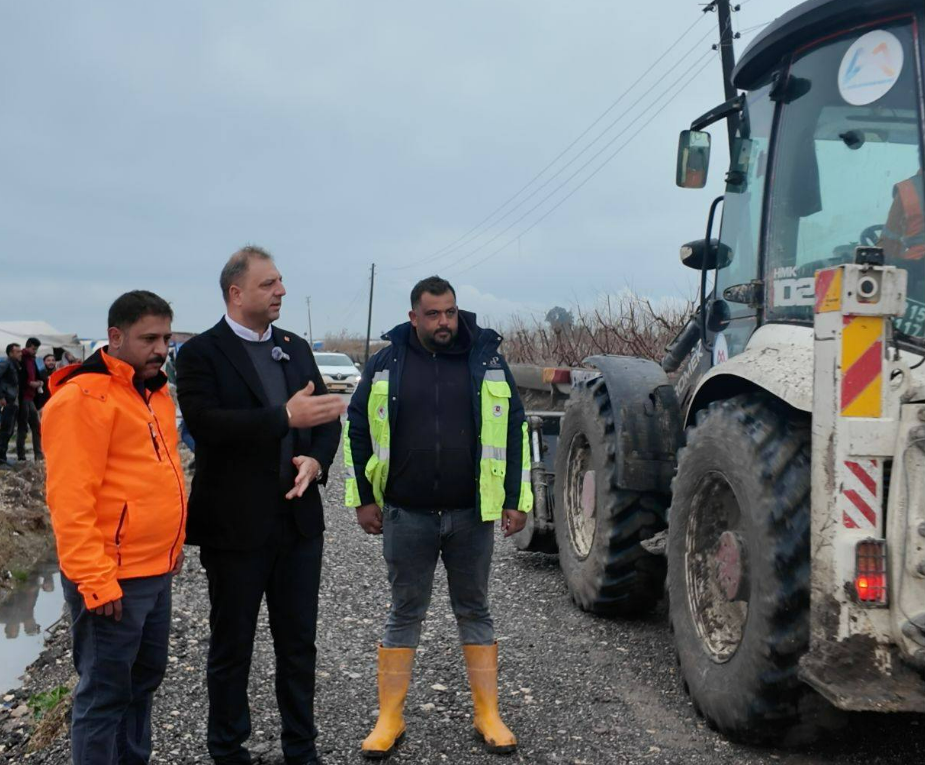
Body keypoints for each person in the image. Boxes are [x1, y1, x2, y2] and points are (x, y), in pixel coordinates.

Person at [344, 275, 533, 758]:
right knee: (404, 611)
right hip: (407, 515)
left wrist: (516, 499)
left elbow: (514, 430)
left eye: (449, 312)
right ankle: (389, 719)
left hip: (472, 514)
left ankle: (487, 714)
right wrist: (365, 497)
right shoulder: (387, 363)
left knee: (475, 609)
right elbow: (359, 427)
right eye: (433, 314)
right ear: (414, 317)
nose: (444, 322)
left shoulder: (486, 361)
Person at [177, 246, 345, 765]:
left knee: (298, 646)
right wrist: (282, 417)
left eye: (280, 282)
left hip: (297, 525)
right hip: (235, 528)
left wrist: (316, 462)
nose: (282, 291)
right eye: (270, 283)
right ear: (237, 292)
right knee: (233, 648)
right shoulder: (202, 353)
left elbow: (323, 419)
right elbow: (206, 426)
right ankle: (228, 750)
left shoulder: (294, 347)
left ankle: (301, 747)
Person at [42, 291, 187, 764]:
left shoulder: (155, 392)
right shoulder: (81, 399)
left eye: (165, 337)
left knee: (143, 683)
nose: (161, 349)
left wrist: (173, 545)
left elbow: (154, 476)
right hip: (111, 579)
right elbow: (70, 501)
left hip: (154, 570)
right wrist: (95, 580)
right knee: (104, 695)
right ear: (115, 337)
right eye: (149, 338)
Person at [16, 337, 43, 461]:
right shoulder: (21, 357)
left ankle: (38, 454)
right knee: (23, 427)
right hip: (23, 397)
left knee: (36, 426)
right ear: (28, 347)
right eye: (33, 349)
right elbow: (20, 377)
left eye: (36, 349)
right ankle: (21, 456)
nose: (35, 351)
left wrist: (38, 382)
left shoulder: (32, 359)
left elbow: (34, 375)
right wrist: (30, 383)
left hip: (30, 397)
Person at [0, 343, 22, 467]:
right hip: (6, 401)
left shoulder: (15, 365)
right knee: (5, 430)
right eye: (17, 352)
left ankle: (3, 456)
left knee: (9, 430)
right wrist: (1, 396)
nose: (20, 354)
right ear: (11, 353)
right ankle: (1, 458)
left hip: (12, 401)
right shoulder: (6, 363)